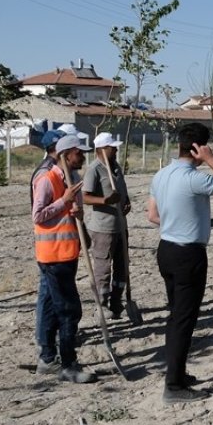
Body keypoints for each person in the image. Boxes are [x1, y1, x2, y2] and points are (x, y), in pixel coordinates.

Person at [148, 122, 213, 402]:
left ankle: (178, 372)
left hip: (166, 248)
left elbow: (152, 215)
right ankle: (174, 386)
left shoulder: (161, 175)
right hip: (188, 254)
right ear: (199, 148)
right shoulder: (193, 178)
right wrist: (212, 160)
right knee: (183, 320)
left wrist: (181, 218)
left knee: (176, 316)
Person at [30, 134, 97, 384]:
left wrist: (79, 220)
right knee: (69, 310)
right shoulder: (46, 180)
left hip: (68, 252)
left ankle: (47, 358)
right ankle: (68, 365)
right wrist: (64, 201)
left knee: (50, 307)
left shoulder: (75, 179)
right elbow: (38, 215)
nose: (83, 156)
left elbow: (69, 214)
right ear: (67, 154)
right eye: (79, 153)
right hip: (52, 255)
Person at [82, 132, 132, 319]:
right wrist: (105, 200)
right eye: (112, 147)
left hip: (120, 225)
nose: (116, 149)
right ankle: (101, 305)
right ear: (101, 149)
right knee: (103, 267)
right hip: (103, 228)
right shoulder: (94, 169)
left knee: (122, 266)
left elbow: (122, 193)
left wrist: (126, 202)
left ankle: (116, 301)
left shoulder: (116, 167)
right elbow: (85, 197)